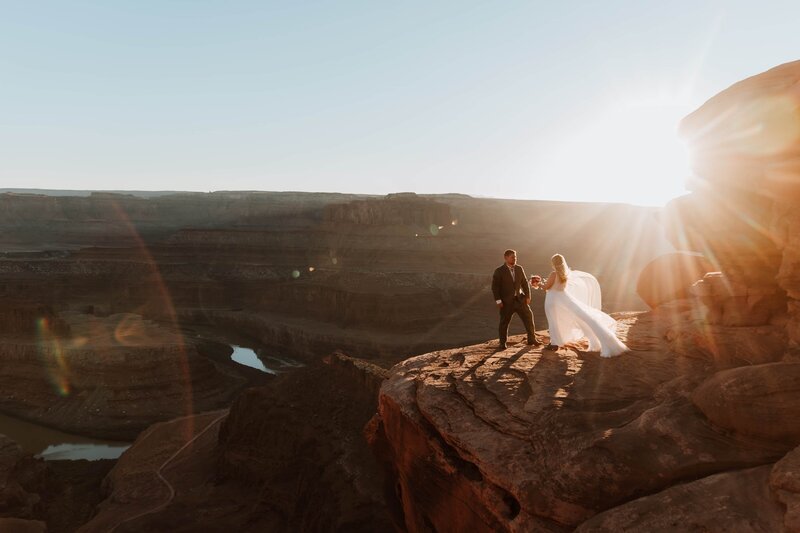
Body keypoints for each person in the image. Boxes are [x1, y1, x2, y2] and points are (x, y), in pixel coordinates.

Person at [532, 253, 627, 358]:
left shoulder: (553, 274)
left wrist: (538, 283)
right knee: (582, 318)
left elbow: (547, 287)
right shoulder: (565, 274)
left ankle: (554, 343)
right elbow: (555, 285)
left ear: (553, 263)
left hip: (553, 300)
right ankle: (557, 341)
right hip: (563, 298)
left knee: (554, 320)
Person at [492, 249, 539, 349]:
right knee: (504, 322)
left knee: (528, 317)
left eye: (515, 257)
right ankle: (502, 343)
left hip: (520, 300)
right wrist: (498, 300)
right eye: (512, 257)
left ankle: (531, 339)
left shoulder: (519, 268)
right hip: (506, 302)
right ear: (506, 258)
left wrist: (528, 296)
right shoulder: (499, 271)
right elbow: (495, 287)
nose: (515, 259)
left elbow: (525, 282)